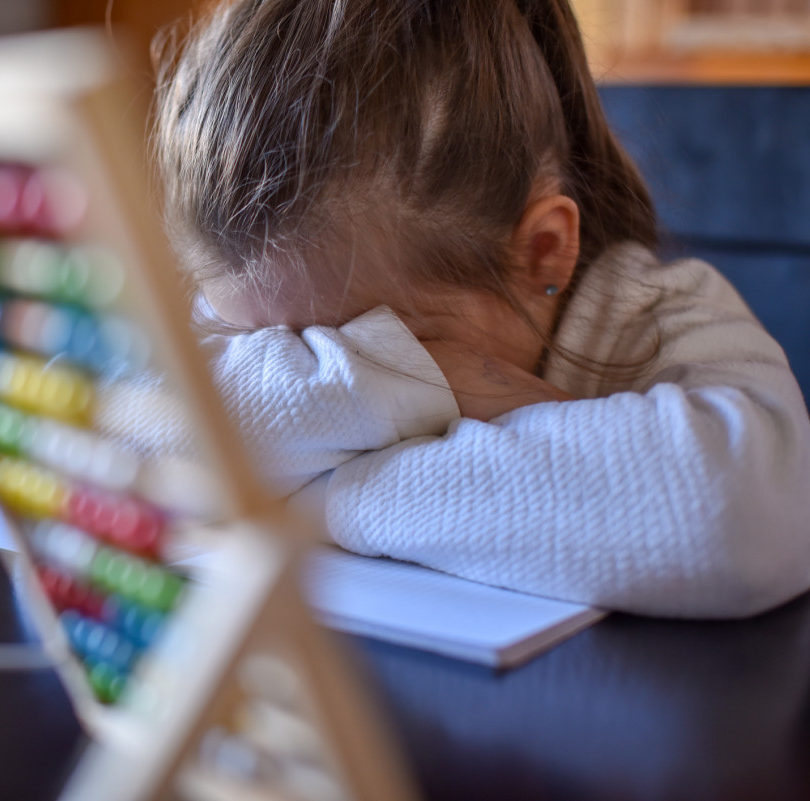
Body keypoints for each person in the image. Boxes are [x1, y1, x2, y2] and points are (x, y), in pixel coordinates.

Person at [109, 0, 810, 618]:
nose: (312, 364)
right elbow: (100, 428)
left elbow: (742, 514)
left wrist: (314, 499)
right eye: (281, 351)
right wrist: (411, 379)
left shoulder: (655, 313)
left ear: (542, 251)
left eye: (375, 339)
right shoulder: (267, 281)